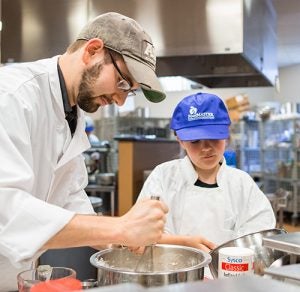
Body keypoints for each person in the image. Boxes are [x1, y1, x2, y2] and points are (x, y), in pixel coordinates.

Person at [0, 12, 168, 291]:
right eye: (123, 82)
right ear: (92, 51)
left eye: (131, 91)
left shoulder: (71, 115)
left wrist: (130, 239)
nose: (121, 100)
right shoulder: (11, 95)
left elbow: (70, 200)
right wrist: (121, 228)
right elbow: (6, 210)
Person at [138, 92, 275, 252]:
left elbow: (260, 233)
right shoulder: (163, 176)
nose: (206, 148)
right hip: (175, 272)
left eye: (214, 137)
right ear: (180, 140)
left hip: (230, 274)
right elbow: (142, 233)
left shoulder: (241, 183)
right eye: (195, 141)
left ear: (226, 135)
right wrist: (183, 243)